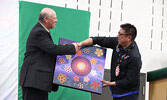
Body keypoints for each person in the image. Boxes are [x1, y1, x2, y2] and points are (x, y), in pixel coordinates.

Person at [19, 8, 79, 100]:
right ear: (46, 19)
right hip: (34, 81)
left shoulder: (42, 31)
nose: (56, 20)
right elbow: (53, 49)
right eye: (54, 18)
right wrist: (72, 47)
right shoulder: (39, 32)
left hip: (37, 82)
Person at [78, 23, 142, 100]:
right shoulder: (117, 43)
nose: (117, 36)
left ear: (128, 37)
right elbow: (97, 40)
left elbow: (130, 81)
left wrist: (110, 83)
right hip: (117, 90)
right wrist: (80, 44)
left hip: (129, 94)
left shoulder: (134, 57)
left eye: (120, 34)